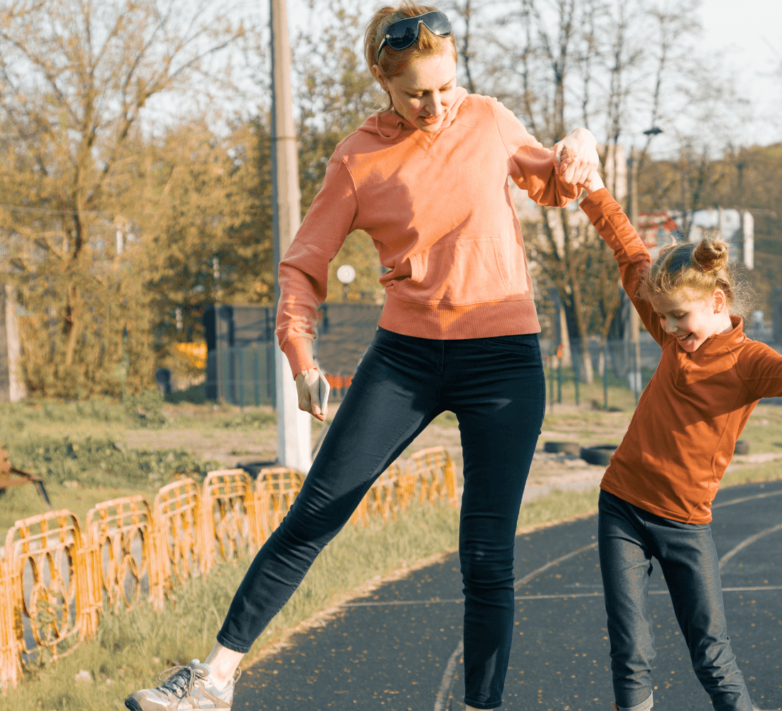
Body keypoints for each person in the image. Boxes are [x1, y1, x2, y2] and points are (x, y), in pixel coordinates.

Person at [125, 4, 598, 710]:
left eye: (444, 86)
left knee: (487, 551)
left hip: (502, 357)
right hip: (406, 356)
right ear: (382, 78)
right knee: (317, 508)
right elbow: (303, 265)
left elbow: (557, 183)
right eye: (415, 93)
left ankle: (480, 705)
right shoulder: (357, 157)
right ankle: (213, 677)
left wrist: (579, 144)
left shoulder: (490, 120)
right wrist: (301, 355)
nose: (436, 105)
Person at [572, 169, 782, 711]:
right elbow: (629, 250)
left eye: (679, 317)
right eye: (662, 317)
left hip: (686, 523)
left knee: (711, 652)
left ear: (718, 300)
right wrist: (591, 188)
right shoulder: (671, 328)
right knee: (629, 646)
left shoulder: (749, 363)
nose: (669, 329)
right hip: (622, 505)